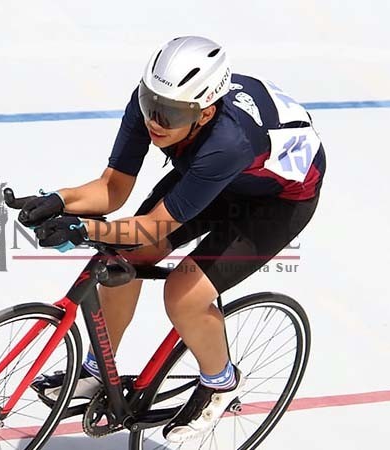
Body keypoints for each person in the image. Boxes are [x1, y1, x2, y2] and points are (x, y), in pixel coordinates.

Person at [20, 36, 326, 443]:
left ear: (205, 113)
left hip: (275, 203)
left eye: (171, 114)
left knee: (184, 294)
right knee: (121, 254)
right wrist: (58, 200)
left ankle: (220, 382)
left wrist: (83, 227)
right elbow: (112, 189)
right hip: (214, 178)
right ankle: (95, 372)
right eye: (151, 104)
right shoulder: (154, 101)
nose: (155, 121)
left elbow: (152, 227)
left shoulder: (226, 144)